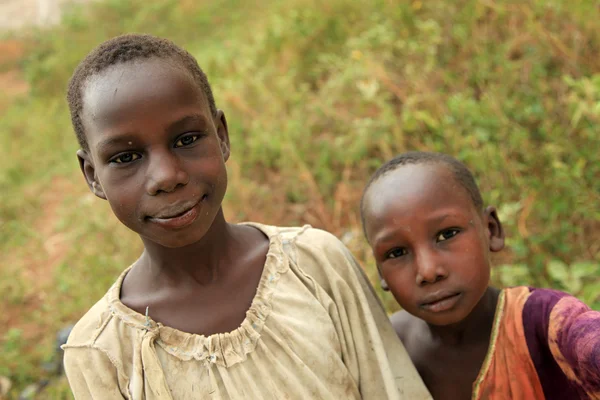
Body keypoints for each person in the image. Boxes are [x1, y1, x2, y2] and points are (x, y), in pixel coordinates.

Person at [61, 34, 430, 400]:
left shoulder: (316, 265)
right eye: (126, 158)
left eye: (186, 139)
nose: (166, 177)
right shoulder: (101, 351)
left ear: (221, 136)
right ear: (93, 174)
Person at [360, 151, 600, 400]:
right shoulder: (384, 350)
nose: (428, 272)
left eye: (447, 234)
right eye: (396, 252)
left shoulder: (544, 323)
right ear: (381, 272)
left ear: (491, 230)